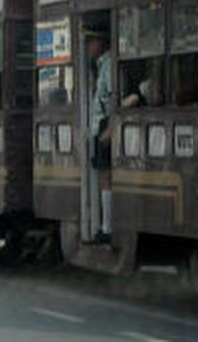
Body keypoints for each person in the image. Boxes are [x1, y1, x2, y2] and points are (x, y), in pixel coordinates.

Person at [87, 30, 113, 242]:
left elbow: (114, 96)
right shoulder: (100, 65)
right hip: (99, 126)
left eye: (91, 41)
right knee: (101, 175)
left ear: (101, 42)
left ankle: (107, 227)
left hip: (106, 125)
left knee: (105, 177)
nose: (88, 47)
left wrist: (111, 127)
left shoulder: (109, 65)